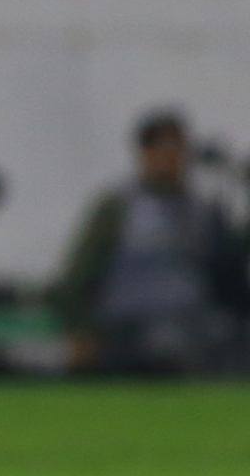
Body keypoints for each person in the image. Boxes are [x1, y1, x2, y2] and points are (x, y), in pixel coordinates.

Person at [51, 111, 247, 375]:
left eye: (177, 148)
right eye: (162, 148)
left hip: (194, 328)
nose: (171, 158)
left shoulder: (204, 211)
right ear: (145, 152)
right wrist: (79, 332)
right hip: (126, 331)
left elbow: (229, 275)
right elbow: (77, 277)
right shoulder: (118, 208)